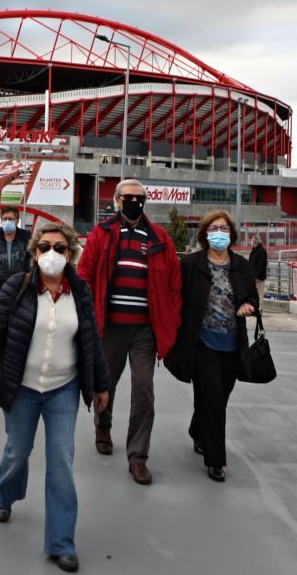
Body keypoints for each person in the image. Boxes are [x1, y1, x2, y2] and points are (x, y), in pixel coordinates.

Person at [0, 222, 110, 574]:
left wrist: (101, 384)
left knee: (61, 460)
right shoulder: (17, 288)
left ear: (71, 254)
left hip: (63, 388)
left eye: (60, 248)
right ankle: (5, 494)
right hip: (22, 387)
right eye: (44, 246)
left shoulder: (81, 292)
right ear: (34, 252)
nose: (51, 253)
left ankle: (62, 542)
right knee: (18, 450)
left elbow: (91, 340)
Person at [77, 179, 181, 485]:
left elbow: (174, 284)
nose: (134, 202)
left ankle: (138, 456)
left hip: (144, 331)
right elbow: (84, 276)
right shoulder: (103, 233)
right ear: (117, 201)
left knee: (144, 391)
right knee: (105, 384)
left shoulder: (160, 238)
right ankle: (103, 425)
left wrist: (171, 321)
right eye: (128, 197)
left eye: (139, 197)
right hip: (109, 328)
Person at [166, 211, 258, 483]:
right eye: (214, 228)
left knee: (219, 397)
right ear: (205, 233)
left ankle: (198, 430)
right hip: (201, 342)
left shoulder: (242, 265)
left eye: (224, 228)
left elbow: (252, 295)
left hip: (232, 344)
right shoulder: (191, 264)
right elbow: (176, 297)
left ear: (231, 233)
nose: (219, 232)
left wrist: (249, 305)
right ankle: (215, 460)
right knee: (214, 398)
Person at [248, 235, 268, 300]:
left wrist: (257, 277)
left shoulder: (261, 251)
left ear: (255, 242)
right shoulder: (255, 250)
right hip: (253, 277)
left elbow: (261, 265)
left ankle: (260, 309)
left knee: (259, 294)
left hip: (258, 278)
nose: (250, 242)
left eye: (251, 241)